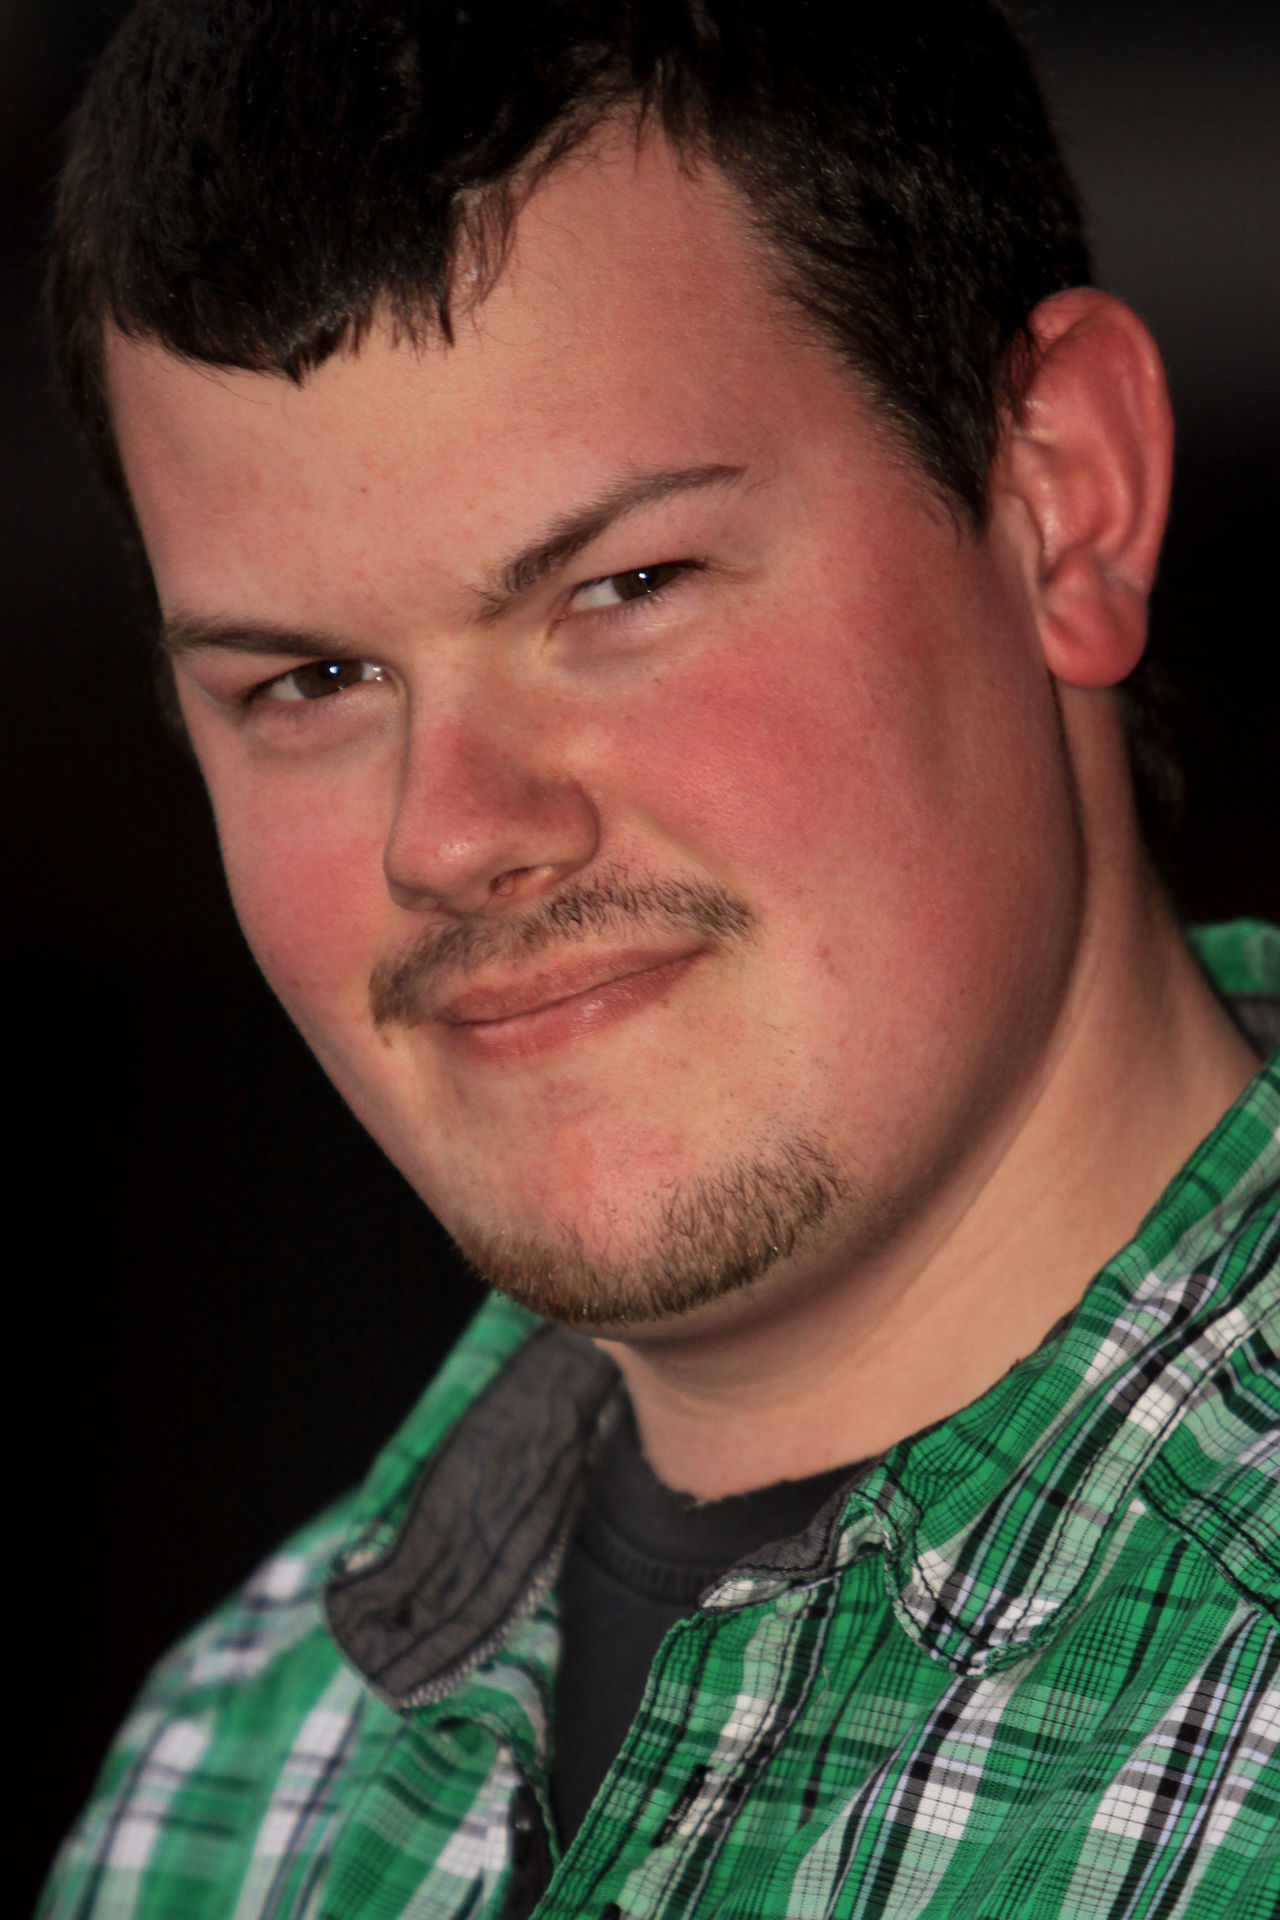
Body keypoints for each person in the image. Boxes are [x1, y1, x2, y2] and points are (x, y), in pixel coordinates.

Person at [39, 2, 1278, 1916]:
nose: (453, 832)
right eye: (311, 680)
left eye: (624, 587)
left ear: (1065, 497)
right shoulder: (221, 1784)